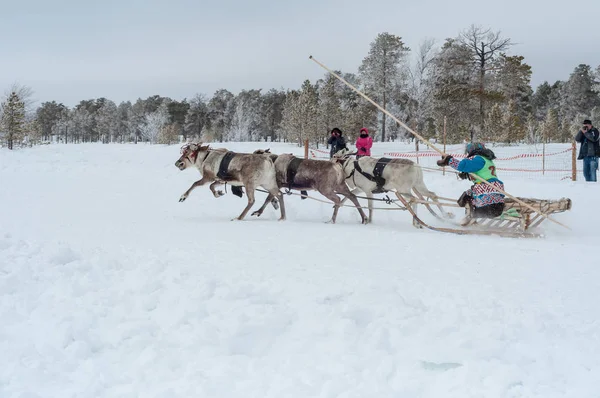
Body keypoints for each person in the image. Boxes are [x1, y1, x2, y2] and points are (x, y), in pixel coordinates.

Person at [437, 142, 505, 224]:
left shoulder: (478, 158)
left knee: (465, 197)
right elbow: (482, 173)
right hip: (497, 198)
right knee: (467, 195)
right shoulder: (487, 160)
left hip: (486, 203)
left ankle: (469, 217)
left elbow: (462, 165)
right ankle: (470, 216)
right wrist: (467, 174)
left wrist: (449, 160)